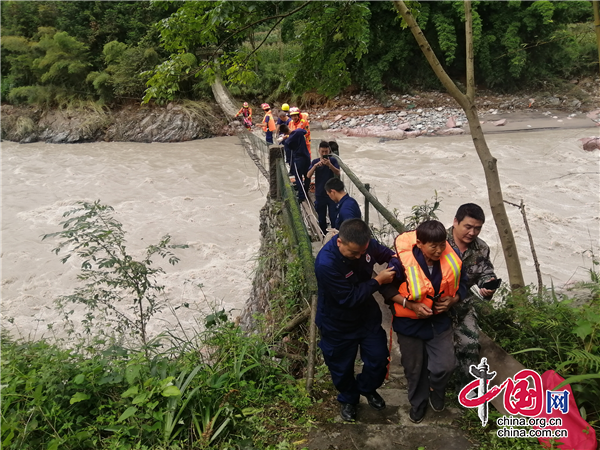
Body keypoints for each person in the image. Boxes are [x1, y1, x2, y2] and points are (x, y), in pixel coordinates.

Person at [314, 218, 405, 422]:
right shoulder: (326, 263)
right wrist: (377, 281)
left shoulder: (367, 245)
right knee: (341, 366)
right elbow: (348, 298)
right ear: (339, 242)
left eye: (362, 252)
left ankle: (367, 387)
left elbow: (393, 257)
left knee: (379, 358)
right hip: (336, 322)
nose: (359, 256)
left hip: (366, 317)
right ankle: (349, 398)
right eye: (354, 253)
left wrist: (393, 268)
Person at [385, 220, 468, 423]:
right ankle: (418, 402)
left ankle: (436, 389)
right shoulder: (400, 263)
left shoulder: (452, 258)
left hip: (438, 322)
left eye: (442, 245)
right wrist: (411, 305)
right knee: (414, 369)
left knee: (446, 365)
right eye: (433, 246)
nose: (439, 251)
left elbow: (464, 283)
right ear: (420, 244)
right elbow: (385, 289)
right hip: (409, 325)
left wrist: (453, 300)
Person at [446, 203, 498, 393]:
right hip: (435, 303)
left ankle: (465, 390)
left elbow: (486, 271)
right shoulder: (438, 241)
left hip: (463, 303)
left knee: (470, 344)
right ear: (455, 222)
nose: (472, 232)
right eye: (468, 227)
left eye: (477, 228)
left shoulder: (481, 248)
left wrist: (488, 285)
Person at [307, 141, 340, 234]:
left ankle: (334, 235)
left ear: (329, 150)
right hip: (320, 193)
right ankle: (323, 235)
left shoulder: (333, 161)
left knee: (333, 216)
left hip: (332, 194)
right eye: (322, 152)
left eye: (326, 151)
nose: (324, 154)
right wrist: (315, 166)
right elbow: (308, 175)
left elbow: (338, 172)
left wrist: (330, 165)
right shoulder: (315, 162)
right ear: (319, 151)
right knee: (321, 217)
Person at [279, 123, 310, 202]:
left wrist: (284, 138)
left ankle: (301, 196)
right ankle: (306, 191)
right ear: (288, 127)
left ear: (284, 133)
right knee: (307, 176)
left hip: (298, 159)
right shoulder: (299, 131)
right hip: (306, 157)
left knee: (298, 178)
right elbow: (305, 132)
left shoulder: (288, 141)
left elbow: (289, 150)